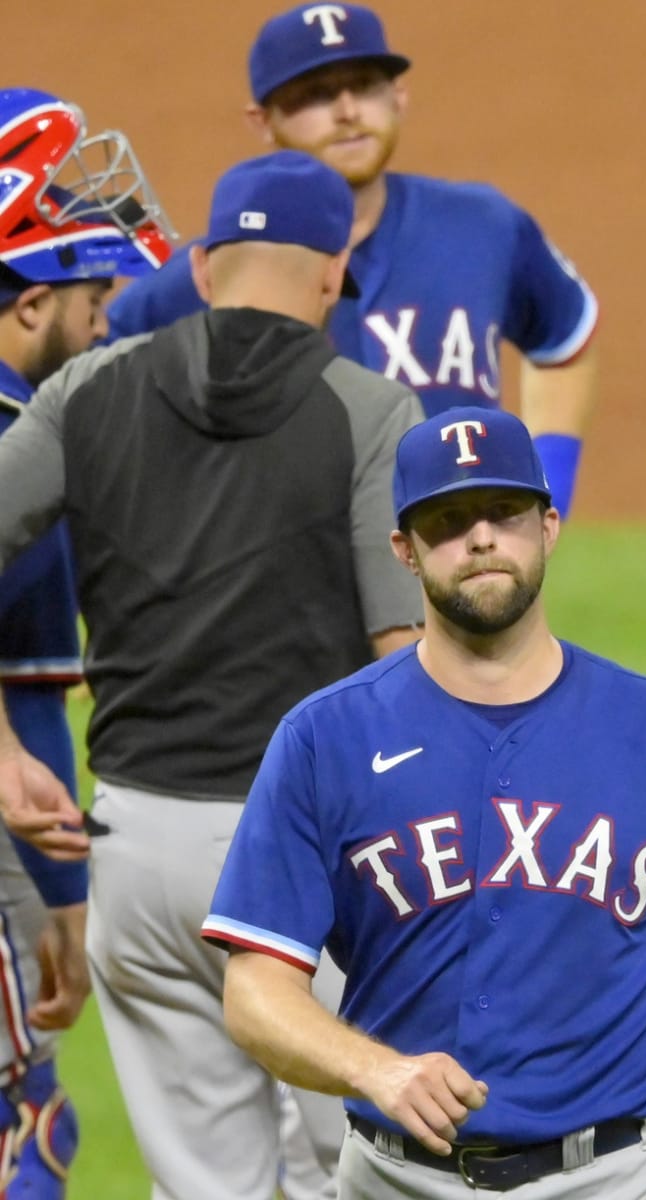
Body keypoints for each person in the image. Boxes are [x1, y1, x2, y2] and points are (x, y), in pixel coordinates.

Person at [199, 405, 646, 1200]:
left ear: (549, 525)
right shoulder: (323, 740)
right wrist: (379, 1070)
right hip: (397, 1179)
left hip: (618, 1177)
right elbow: (255, 989)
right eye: (449, 519)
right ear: (404, 549)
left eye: (504, 512)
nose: (481, 538)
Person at [0, 148, 426, 1200]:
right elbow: (406, 663)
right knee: (384, 1172)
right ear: (332, 273)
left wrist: (1, 753)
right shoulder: (370, 411)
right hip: (314, 862)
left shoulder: (84, 392)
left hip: (138, 858)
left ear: (199, 269)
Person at [107, 1, 599, 519]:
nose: (347, 110)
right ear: (263, 121)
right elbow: (86, 393)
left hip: (456, 570)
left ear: (398, 95)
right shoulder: (215, 272)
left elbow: (565, 338)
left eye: (364, 85)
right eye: (315, 94)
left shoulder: (486, 226)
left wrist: (549, 486)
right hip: (292, 585)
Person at [0, 86, 174, 1197]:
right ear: (22, 308)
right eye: (89, 292)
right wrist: (68, 908)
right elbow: (26, 708)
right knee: (24, 1135)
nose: (109, 315)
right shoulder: (25, 454)